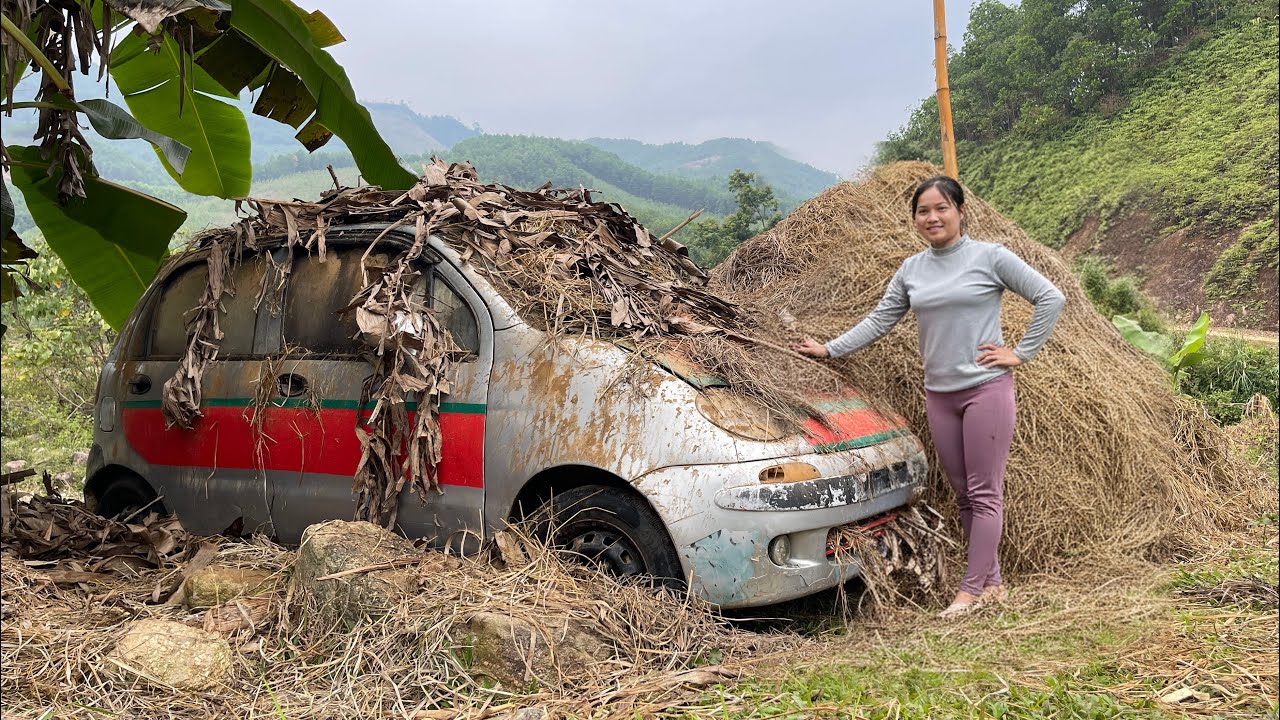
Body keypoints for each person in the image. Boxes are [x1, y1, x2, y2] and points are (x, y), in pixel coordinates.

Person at [792, 175, 1066, 618]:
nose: (933, 217)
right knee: (963, 494)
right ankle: (993, 583)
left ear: (960, 211)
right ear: (915, 219)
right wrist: (829, 349)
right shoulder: (912, 269)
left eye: (942, 208)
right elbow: (880, 319)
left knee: (984, 492)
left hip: (986, 390)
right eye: (924, 210)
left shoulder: (989, 257)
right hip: (939, 396)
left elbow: (1050, 297)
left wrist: (1020, 353)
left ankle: (970, 591)